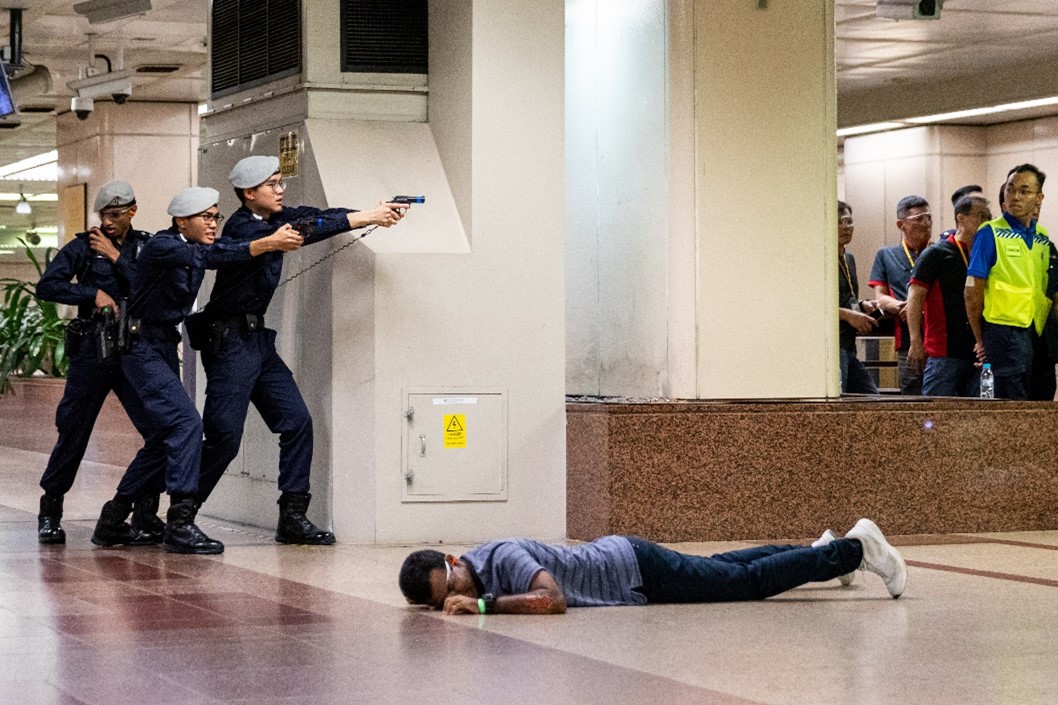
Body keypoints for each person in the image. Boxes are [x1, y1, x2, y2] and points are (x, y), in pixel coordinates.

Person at [194, 155, 411, 545]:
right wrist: (270, 243)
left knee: (297, 422)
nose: (280, 190)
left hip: (257, 342)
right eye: (272, 184)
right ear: (249, 193)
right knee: (224, 437)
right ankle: (181, 516)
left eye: (280, 182)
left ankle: (292, 516)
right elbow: (230, 250)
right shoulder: (241, 225)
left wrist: (372, 214)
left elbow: (318, 219)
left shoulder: (278, 219)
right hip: (227, 342)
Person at [114, 187, 303, 554]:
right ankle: (180, 523)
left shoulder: (191, 246)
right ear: (182, 221)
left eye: (216, 216)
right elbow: (213, 255)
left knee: (165, 437)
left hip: (165, 343)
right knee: (187, 425)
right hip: (140, 346)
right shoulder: (164, 245)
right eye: (206, 217)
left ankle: (114, 517)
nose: (214, 223)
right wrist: (266, 244)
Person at [398, 518, 906, 615]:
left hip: (632, 568)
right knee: (723, 566)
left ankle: (857, 550)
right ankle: (818, 551)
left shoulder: (500, 555)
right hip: (631, 565)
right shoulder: (473, 570)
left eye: (453, 584)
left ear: (453, 560)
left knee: (741, 585)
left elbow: (551, 600)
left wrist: (483, 605)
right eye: (445, 599)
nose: (456, 595)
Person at [34, 181, 166, 546]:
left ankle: (144, 514)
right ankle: (50, 511)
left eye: (115, 215)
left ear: (132, 212)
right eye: (103, 215)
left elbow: (149, 287)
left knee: (158, 429)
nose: (106, 222)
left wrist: (115, 256)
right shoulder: (82, 247)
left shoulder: (146, 246)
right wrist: (91, 293)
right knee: (74, 430)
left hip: (134, 350)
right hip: (94, 349)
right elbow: (47, 286)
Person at [965, 164, 1052, 400]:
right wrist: (981, 339)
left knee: (1041, 395)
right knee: (1011, 400)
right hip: (1003, 333)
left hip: (1036, 331)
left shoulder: (1043, 237)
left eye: (1024, 191)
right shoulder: (990, 232)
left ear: (1039, 198)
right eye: (1010, 189)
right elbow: (972, 291)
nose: (1015, 197)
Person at [906, 195, 993, 396]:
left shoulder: (983, 254)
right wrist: (915, 341)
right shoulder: (937, 253)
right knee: (935, 418)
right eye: (980, 215)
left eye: (988, 217)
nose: (986, 222)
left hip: (977, 354)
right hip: (943, 354)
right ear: (961, 219)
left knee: (974, 418)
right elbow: (915, 297)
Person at [869, 195, 933, 395]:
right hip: (907, 340)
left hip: (938, 338)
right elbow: (880, 296)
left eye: (928, 217)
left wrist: (917, 308)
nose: (926, 223)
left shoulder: (938, 251)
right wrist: (900, 306)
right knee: (911, 394)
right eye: (919, 218)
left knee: (939, 396)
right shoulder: (886, 255)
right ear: (901, 224)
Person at [836, 201, 879, 394]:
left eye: (849, 221)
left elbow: (845, 297)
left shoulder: (849, 258)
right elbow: (814, 306)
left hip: (849, 343)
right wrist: (848, 316)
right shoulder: (819, 258)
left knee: (871, 397)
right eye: (839, 222)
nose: (846, 227)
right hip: (834, 345)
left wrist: (862, 305)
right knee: (839, 402)